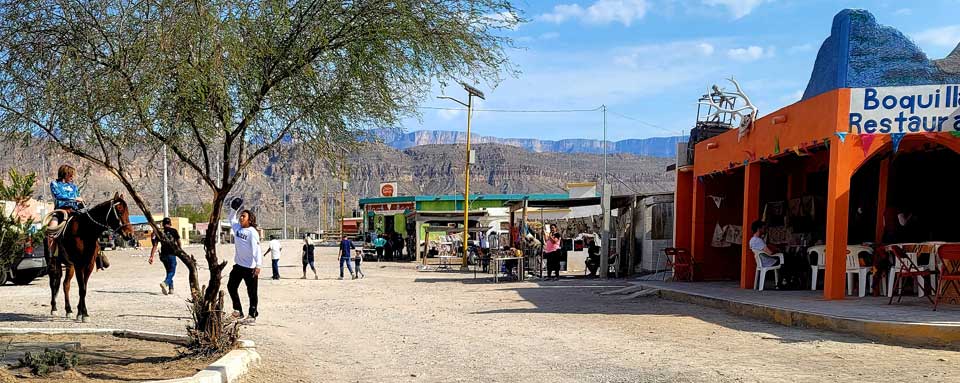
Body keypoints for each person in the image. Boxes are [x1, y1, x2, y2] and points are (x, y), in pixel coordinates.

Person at [227, 198, 262, 324]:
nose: (241, 218)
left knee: (252, 292)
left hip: (250, 267)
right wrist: (233, 209)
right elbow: (231, 219)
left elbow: (257, 249)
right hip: (238, 266)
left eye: (244, 216)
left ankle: (252, 315)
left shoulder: (252, 232)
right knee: (231, 286)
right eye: (241, 216)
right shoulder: (237, 228)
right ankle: (238, 310)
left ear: (250, 219)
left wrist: (258, 265)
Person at [149, 217, 181, 295]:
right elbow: (179, 242)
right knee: (172, 272)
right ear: (170, 223)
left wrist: (151, 256)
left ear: (163, 224)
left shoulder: (160, 232)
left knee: (168, 271)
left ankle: (171, 288)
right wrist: (180, 251)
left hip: (163, 255)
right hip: (171, 254)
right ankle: (165, 283)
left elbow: (155, 245)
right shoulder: (174, 231)